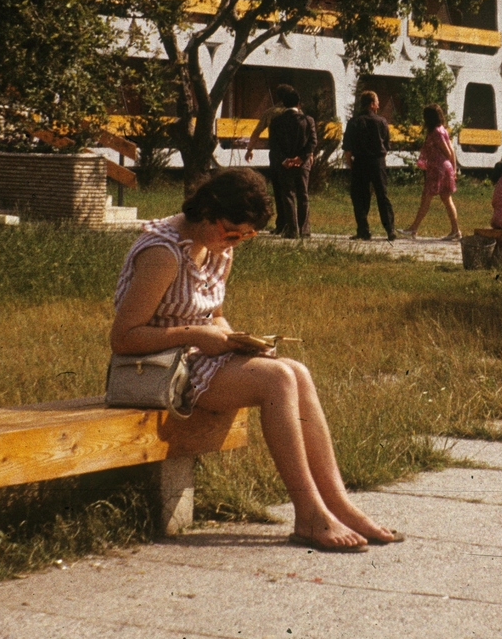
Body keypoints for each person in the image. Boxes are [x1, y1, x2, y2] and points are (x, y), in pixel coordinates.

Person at [110, 168, 398, 552]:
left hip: (194, 359)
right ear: (208, 211)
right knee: (277, 379)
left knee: (296, 371)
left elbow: (213, 314)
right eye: (232, 232)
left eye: (246, 236)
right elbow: (124, 338)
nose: (237, 242)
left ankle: (338, 504)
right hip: (158, 369)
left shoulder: (216, 247)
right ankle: (309, 513)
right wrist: (198, 335)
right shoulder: (163, 254)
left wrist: (238, 341)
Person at [342, 91, 395, 241]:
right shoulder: (382, 122)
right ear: (372, 104)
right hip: (377, 161)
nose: (378, 104)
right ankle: (390, 229)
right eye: (377, 102)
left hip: (360, 161)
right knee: (382, 195)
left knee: (359, 197)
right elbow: (386, 145)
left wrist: (352, 164)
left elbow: (348, 148)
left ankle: (363, 230)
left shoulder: (354, 122)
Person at [266, 85, 316, 239]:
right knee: (303, 195)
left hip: (285, 163)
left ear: (284, 103)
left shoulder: (276, 121)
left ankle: (292, 230)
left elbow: (273, 144)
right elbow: (312, 142)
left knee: (287, 194)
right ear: (298, 103)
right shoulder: (308, 120)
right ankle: (304, 229)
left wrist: (284, 159)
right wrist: (301, 158)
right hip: (302, 164)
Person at [406, 104, 461, 240]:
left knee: (426, 198)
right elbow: (452, 150)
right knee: (446, 199)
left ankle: (413, 228)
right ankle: (455, 230)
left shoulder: (436, 132)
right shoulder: (442, 129)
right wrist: (453, 169)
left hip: (438, 169)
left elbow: (447, 151)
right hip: (444, 168)